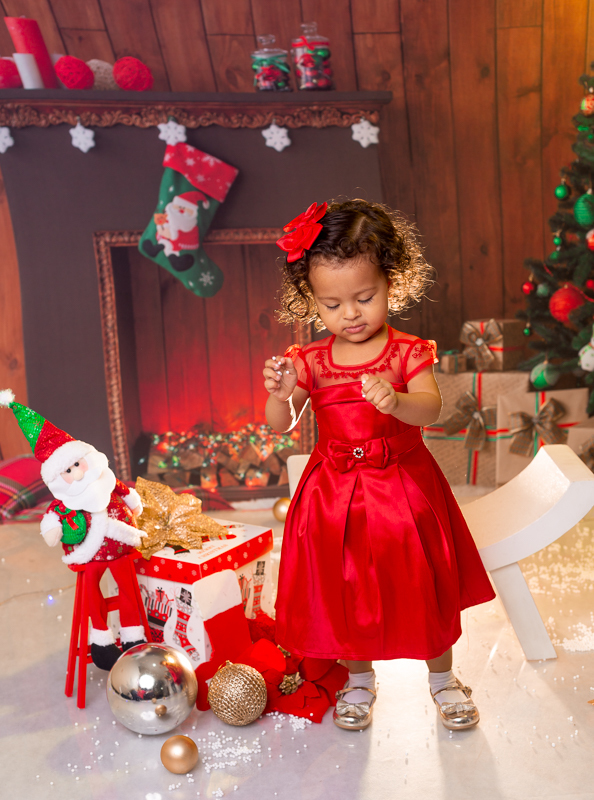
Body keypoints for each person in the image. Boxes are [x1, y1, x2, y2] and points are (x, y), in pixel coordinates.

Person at [263, 199, 495, 732]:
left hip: (404, 491)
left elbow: (432, 408)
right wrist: (278, 393)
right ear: (311, 302)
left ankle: (442, 679)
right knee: (347, 588)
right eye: (331, 304)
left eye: (365, 297)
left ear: (393, 282)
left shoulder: (407, 352)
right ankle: (359, 677)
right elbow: (282, 421)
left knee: (423, 581)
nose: (350, 314)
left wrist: (395, 402)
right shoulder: (311, 361)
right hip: (332, 496)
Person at [0, 390, 148, 670]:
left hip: (122, 550)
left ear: (86, 458)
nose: (77, 474)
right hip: (89, 557)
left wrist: (134, 503)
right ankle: (102, 641)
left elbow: (126, 493)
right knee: (93, 591)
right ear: (57, 478)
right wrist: (52, 529)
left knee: (128, 588)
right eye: (68, 472)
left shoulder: (107, 481)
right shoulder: (63, 503)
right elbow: (52, 519)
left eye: (78, 465)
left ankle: (133, 638)